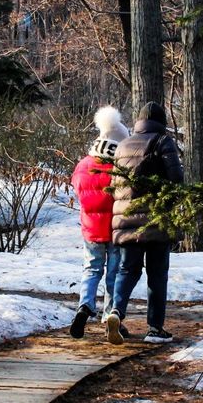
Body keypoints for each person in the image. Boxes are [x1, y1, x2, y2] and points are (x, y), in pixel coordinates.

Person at [105, 101, 183, 344]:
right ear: (162, 122)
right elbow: (176, 180)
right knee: (157, 274)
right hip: (156, 219)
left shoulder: (123, 145)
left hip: (125, 220)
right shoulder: (163, 141)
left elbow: (115, 185)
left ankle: (116, 312)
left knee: (127, 270)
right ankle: (155, 328)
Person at [68, 106, 128, 339]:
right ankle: (111, 318)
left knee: (91, 270)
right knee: (114, 273)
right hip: (114, 229)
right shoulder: (120, 167)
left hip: (90, 229)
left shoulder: (83, 165)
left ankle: (85, 306)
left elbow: (78, 189)